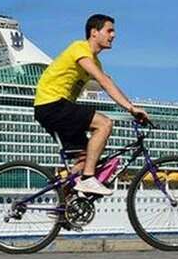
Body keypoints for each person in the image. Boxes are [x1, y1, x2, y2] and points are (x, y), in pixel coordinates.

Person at [34, 14, 150, 196]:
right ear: (94, 32)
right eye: (109, 31)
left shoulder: (95, 61)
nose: (113, 35)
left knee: (85, 157)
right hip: (52, 104)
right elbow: (103, 81)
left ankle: (65, 203)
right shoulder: (80, 48)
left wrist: (131, 107)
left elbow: (108, 83)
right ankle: (88, 178)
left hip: (54, 108)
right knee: (104, 123)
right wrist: (130, 108)